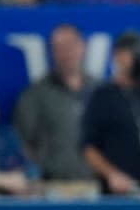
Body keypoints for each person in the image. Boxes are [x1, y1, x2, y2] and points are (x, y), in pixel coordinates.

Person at [14, 23, 97, 183]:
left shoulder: (101, 91)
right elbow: (22, 141)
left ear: (83, 47)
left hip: (97, 186)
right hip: (51, 185)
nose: (66, 53)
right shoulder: (35, 95)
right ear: (52, 53)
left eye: (71, 46)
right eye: (59, 48)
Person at [80, 31, 140, 194]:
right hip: (118, 192)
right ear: (117, 56)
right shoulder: (103, 96)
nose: (139, 59)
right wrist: (113, 175)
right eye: (133, 53)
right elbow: (88, 146)